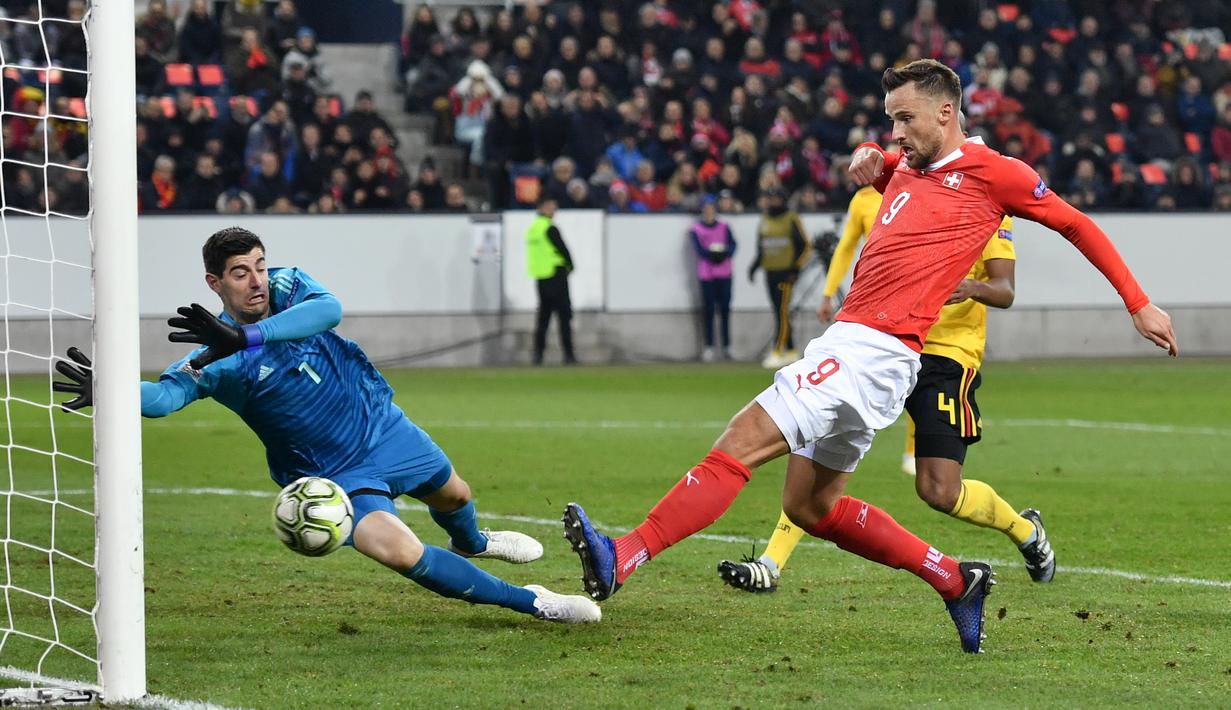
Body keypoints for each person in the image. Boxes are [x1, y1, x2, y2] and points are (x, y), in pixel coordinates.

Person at [560, 59, 1176, 654]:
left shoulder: (997, 174)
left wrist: (1139, 303)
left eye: (905, 119)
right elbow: (891, 173)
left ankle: (624, 556)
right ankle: (956, 581)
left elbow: (1077, 225)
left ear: (946, 111)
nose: (896, 132)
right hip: (872, 352)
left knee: (740, 441)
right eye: (889, 120)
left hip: (872, 349)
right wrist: (874, 160)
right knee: (809, 506)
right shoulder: (909, 163)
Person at [54, 227, 600, 625]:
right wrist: (115, 390)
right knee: (400, 553)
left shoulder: (287, 290)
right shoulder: (215, 361)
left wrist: (248, 336)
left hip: (379, 424)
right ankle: (533, 601)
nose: (257, 281)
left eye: (260, 266)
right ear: (214, 282)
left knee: (456, 495)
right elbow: (163, 398)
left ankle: (475, 543)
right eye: (241, 273)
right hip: (332, 476)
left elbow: (330, 309)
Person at [719, 184, 1057, 594]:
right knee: (817, 436)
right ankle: (771, 564)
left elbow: (1005, 290)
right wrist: (831, 293)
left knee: (939, 489)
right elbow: (850, 248)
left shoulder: (987, 206)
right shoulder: (886, 198)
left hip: (946, 357)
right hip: (881, 346)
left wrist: (969, 288)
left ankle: (1024, 530)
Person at [747, 185, 809, 370]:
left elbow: (805, 246)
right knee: (778, 311)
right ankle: (791, 350)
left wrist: (795, 269)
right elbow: (761, 246)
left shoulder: (791, 218)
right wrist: (755, 266)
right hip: (770, 272)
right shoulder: (764, 219)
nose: (772, 202)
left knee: (782, 312)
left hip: (785, 273)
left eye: (776, 199)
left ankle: (777, 349)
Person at [526, 197, 576, 365]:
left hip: (541, 277)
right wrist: (570, 265)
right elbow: (563, 250)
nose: (554, 210)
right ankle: (568, 355)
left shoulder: (533, 229)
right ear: (543, 207)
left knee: (543, 318)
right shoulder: (549, 228)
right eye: (551, 207)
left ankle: (538, 355)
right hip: (556, 274)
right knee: (564, 316)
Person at [689, 196, 736, 362]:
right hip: (707, 274)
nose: (709, 211)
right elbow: (699, 250)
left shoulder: (724, 227)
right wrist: (713, 254)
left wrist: (722, 254)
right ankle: (708, 346)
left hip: (724, 273)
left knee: (725, 310)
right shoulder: (696, 229)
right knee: (708, 310)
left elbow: (733, 246)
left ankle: (727, 346)